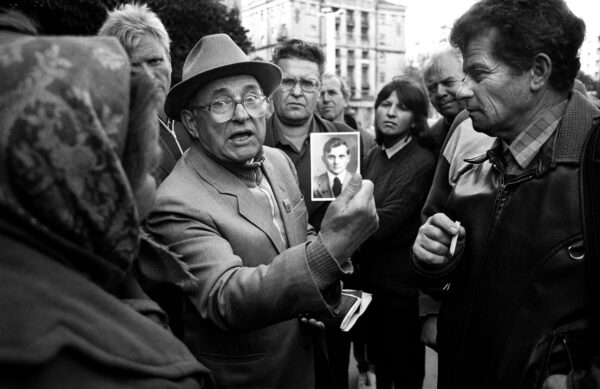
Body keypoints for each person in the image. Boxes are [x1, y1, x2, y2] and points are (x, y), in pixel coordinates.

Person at [146, 33, 378, 389]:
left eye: (252, 98)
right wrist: (331, 249)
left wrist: (328, 273)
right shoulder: (175, 201)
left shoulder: (277, 160)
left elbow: (297, 238)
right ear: (192, 123)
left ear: (266, 106)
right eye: (221, 104)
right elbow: (226, 297)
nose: (241, 115)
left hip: (308, 363)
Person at [0, 20, 213, 388]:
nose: (146, 76)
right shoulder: (149, 372)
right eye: (145, 169)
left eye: (154, 61)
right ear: (96, 175)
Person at [411, 0, 600, 388]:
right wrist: (434, 265)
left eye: (478, 73)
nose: (462, 91)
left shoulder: (593, 163)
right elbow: (464, 290)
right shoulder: (477, 165)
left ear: (537, 71)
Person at [353, 78, 435, 389]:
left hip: (400, 293)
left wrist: (346, 220)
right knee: (381, 366)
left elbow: (383, 224)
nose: (390, 113)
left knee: (406, 372)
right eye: (385, 104)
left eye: (402, 108)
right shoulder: (375, 155)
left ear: (415, 119)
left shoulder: (421, 162)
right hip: (372, 285)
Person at [264, 39, 356, 230]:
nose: (297, 92)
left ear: (319, 88)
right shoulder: (252, 143)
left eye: (307, 83)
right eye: (288, 82)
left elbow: (349, 218)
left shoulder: (343, 139)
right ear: (273, 87)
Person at [99, 2, 191, 184]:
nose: (148, 75)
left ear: (170, 61)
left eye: (154, 61)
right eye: (133, 66)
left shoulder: (193, 116)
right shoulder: (112, 136)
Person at [318, 72, 376, 151]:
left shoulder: (366, 140)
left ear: (345, 100)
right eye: (321, 94)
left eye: (332, 93)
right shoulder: (309, 136)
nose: (326, 99)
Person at [423, 48, 465, 154]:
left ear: (469, 79)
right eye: (432, 88)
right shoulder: (428, 139)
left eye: (448, 83)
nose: (440, 93)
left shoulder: (496, 128)